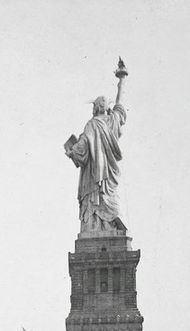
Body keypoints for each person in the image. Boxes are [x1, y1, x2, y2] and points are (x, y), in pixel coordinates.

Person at [65, 61, 128, 233]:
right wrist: (122, 79)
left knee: (95, 199)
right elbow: (120, 104)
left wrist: (71, 152)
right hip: (107, 175)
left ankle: (97, 227)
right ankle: (111, 222)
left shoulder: (92, 125)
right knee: (108, 197)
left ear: (96, 108)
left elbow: (82, 147)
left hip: (94, 177)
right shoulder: (113, 121)